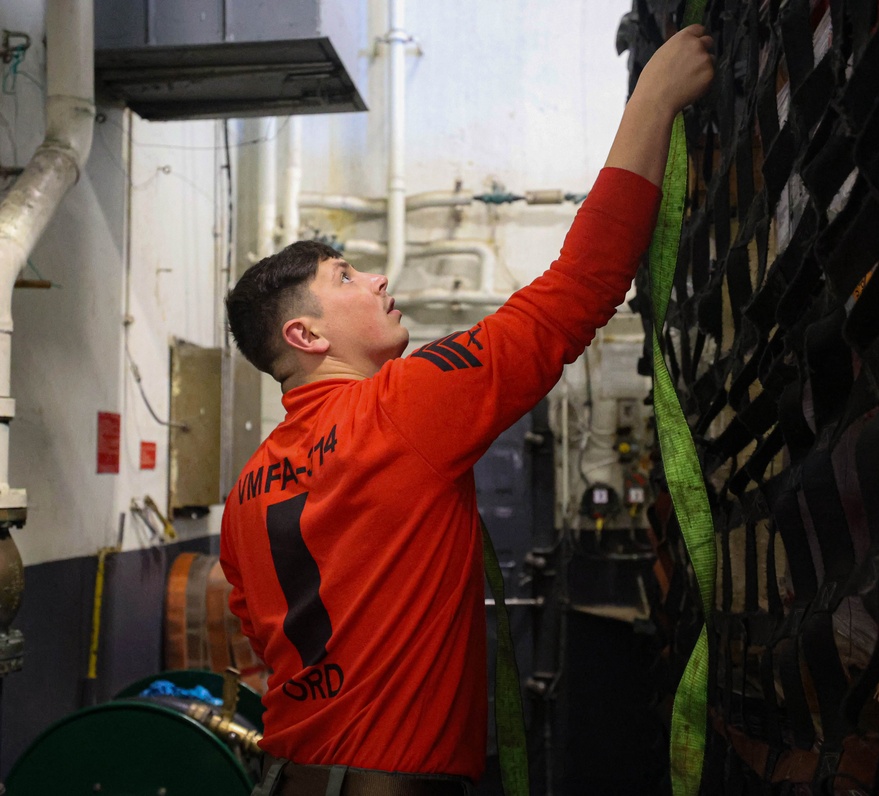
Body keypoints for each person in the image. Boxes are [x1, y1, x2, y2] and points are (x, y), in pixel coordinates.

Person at [221, 24, 714, 796]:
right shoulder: (400, 407)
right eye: (345, 277)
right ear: (305, 335)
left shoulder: (245, 494)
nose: (378, 280)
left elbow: (262, 634)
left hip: (293, 776)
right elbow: (576, 292)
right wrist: (654, 97)